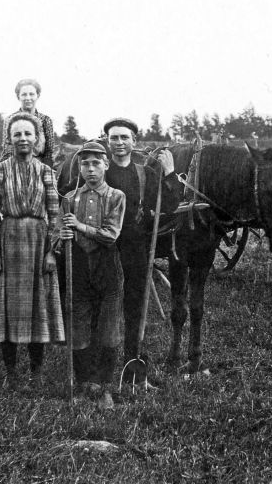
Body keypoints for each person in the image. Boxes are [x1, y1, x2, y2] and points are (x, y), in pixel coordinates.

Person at [0, 113, 64, 387]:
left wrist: (51, 251)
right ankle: (11, 373)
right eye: (17, 134)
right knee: (8, 308)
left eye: (27, 134)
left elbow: (54, 215)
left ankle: (36, 371)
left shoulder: (46, 172)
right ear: (9, 139)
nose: (22, 139)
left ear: (37, 139)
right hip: (8, 242)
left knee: (38, 307)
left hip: (38, 243)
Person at [103, 118, 180, 385]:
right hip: (105, 247)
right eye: (114, 138)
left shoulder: (144, 172)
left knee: (135, 308)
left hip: (136, 246)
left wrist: (169, 172)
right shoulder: (101, 171)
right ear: (107, 141)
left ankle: (133, 369)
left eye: (125, 137)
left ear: (134, 141)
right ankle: (100, 373)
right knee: (106, 307)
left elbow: (170, 205)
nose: (120, 143)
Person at [55, 141, 125, 408]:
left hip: (108, 267)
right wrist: (61, 236)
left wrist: (80, 225)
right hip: (79, 267)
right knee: (79, 327)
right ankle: (83, 384)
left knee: (108, 330)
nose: (90, 169)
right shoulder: (69, 199)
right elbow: (58, 236)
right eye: (85, 163)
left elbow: (110, 235)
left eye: (96, 163)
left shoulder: (116, 197)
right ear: (79, 167)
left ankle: (106, 386)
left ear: (106, 165)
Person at [0, 79, 56, 167]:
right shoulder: (10, 120)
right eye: (24, 94)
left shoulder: (45, 120)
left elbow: (49, 151)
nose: (28, 98)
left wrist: (45, 172)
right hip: (14, 165)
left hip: (39, 165)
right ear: (18, 97)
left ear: (37, 96)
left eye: (31, 94)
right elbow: (7, 149)